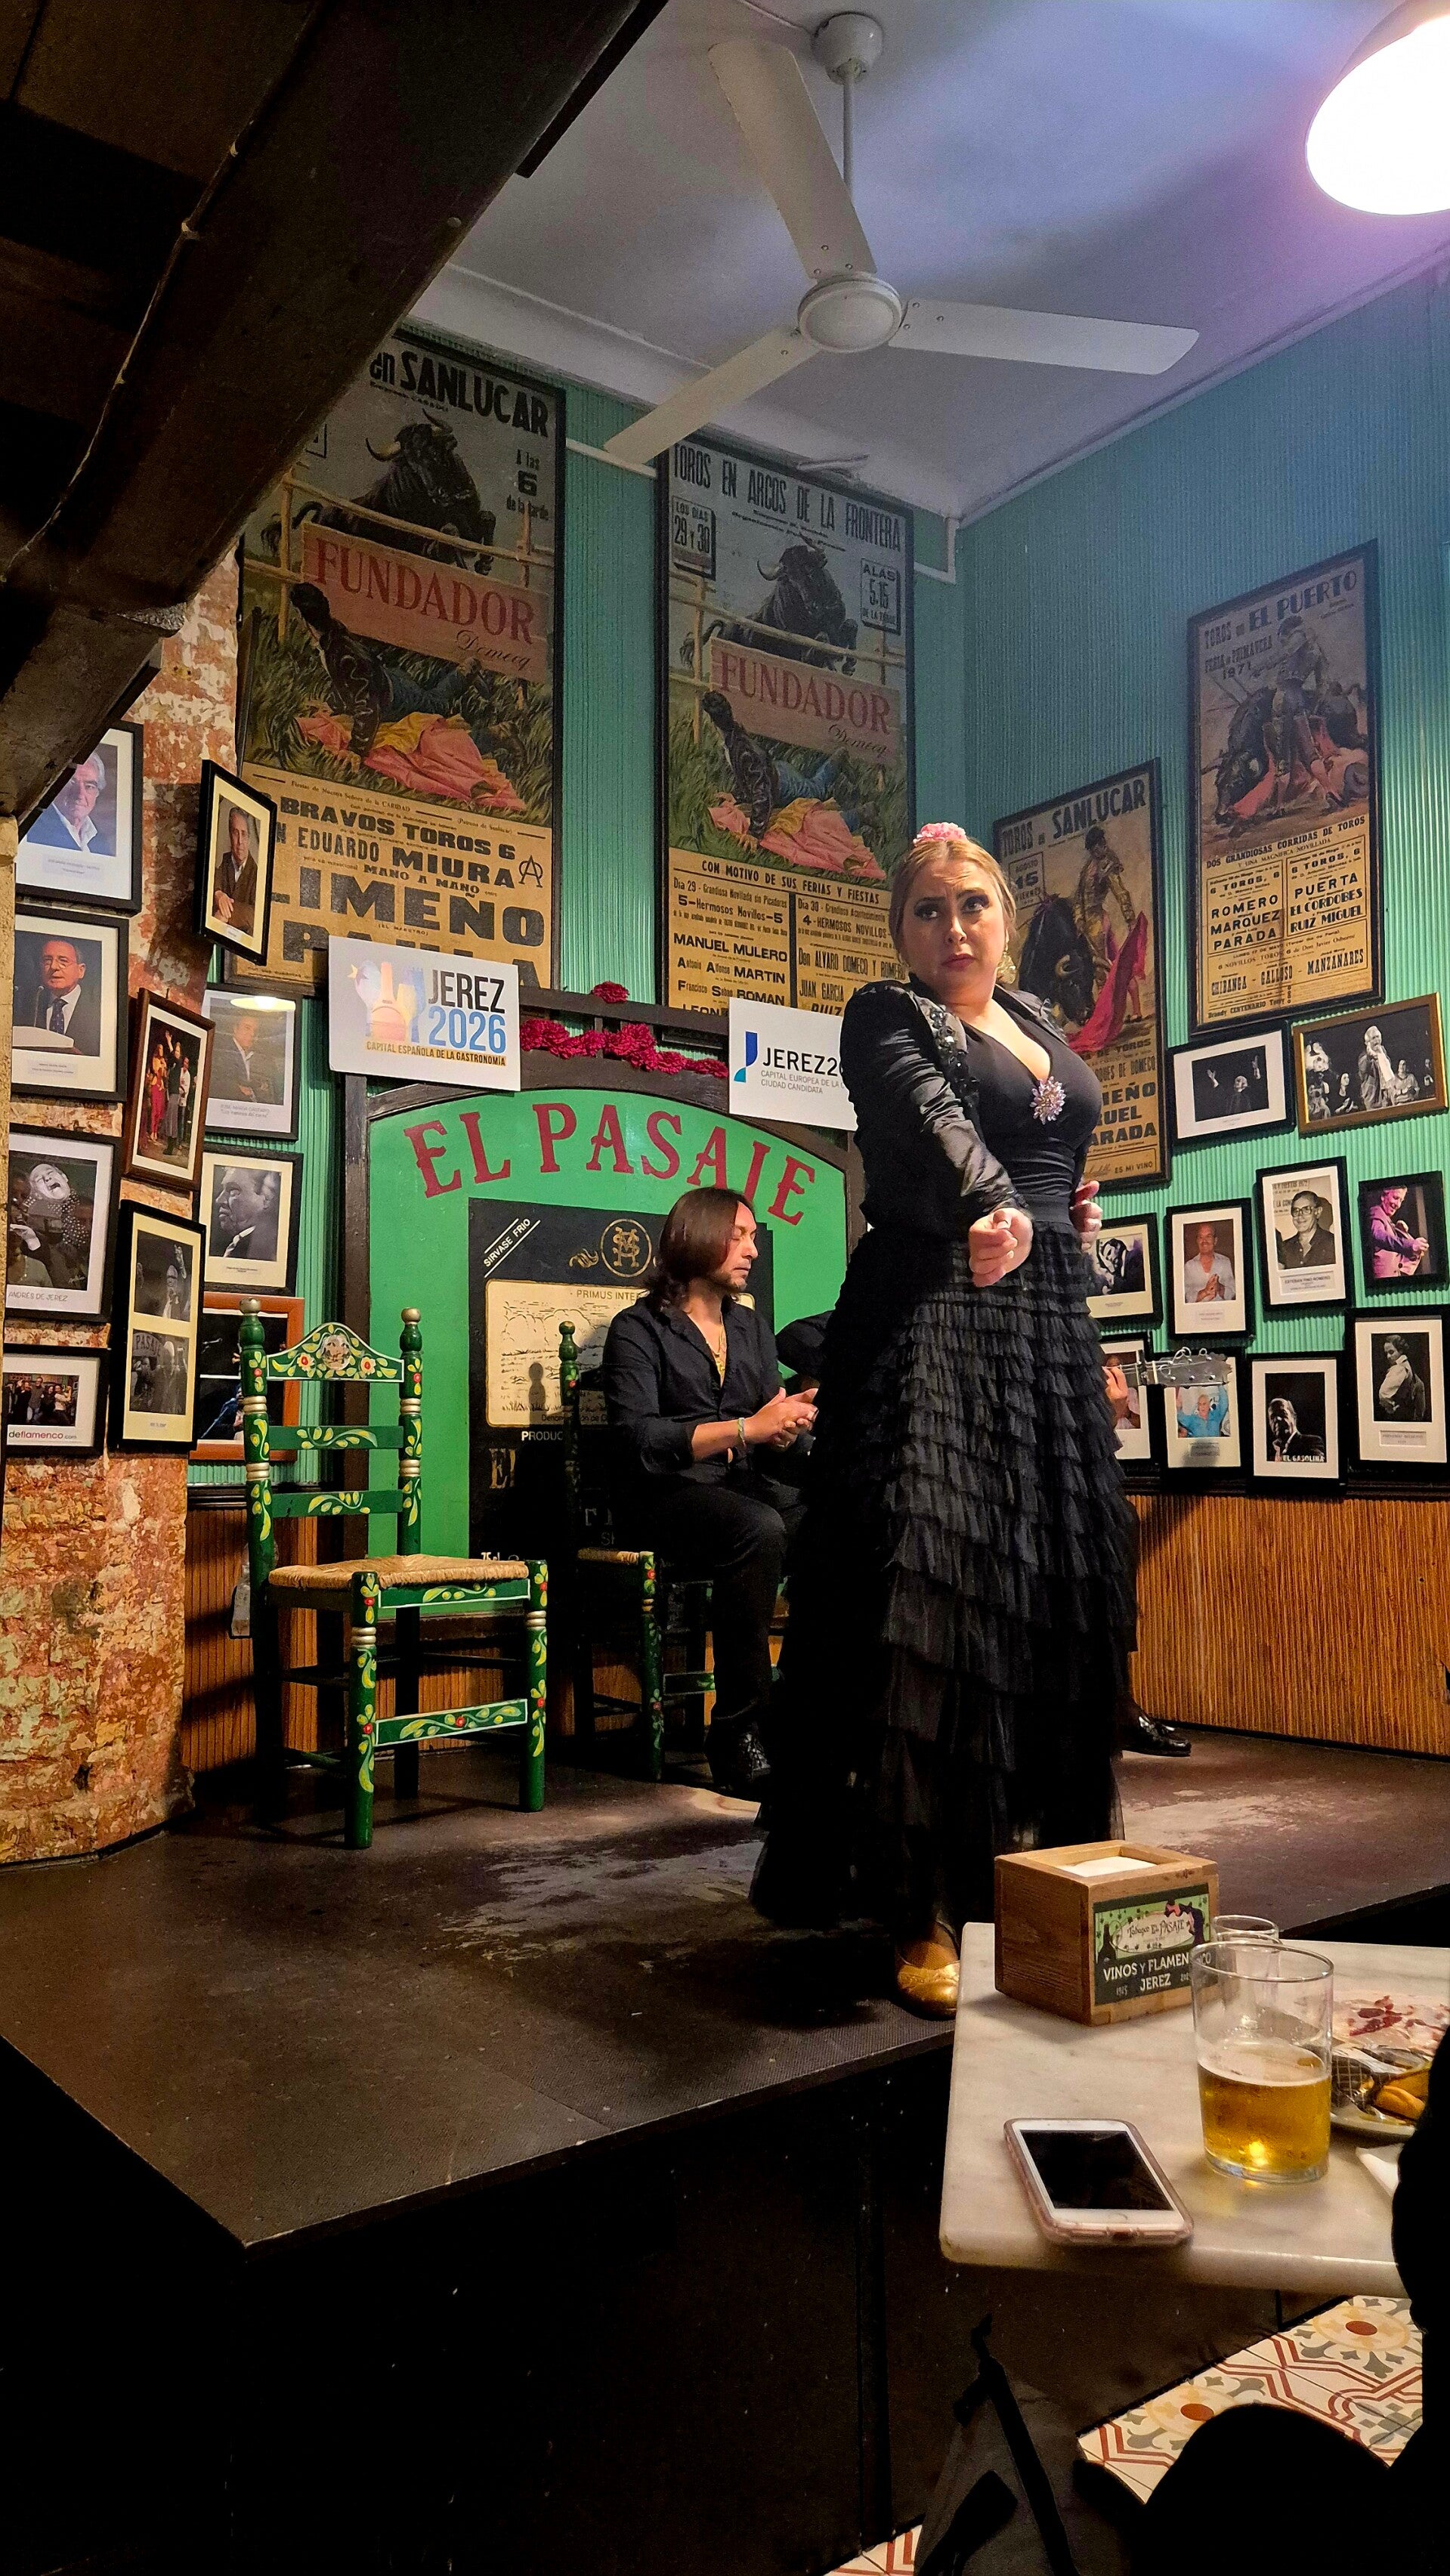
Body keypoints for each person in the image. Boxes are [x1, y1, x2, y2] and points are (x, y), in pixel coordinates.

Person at [752, 823, 1136, 2015]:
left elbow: (1053, 1135)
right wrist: (995, 1204)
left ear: (1005, 919)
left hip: (1042, 1316)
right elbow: (931, 1120)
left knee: (1050, 1582)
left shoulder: (1034, 1019)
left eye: (972, 904)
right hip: (934, 1305)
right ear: (902, 932)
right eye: (927, 910)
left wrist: (1061, 1217)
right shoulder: (885, 1014)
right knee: (926, 1595)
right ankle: (913, 1902)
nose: (952, 926)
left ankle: (1030, 1874)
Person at [601, 1189, 816, 1799]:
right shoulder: (638, 1328)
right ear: (698, 1236)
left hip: (741, 1490)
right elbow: (639, 1440)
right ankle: (736, 1732)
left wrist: (790, 1425)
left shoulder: (749, 1327)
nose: (752, 1249)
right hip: (665, 1497)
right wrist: (747, 1428)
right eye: (739, 1235)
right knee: (758, 1528)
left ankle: (799, 1715)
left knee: (834, 1521)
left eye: (752, 1236)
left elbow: (767, 1433)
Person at [19, 935, 100, 1056]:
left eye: (63, 961)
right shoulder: (29, 1005)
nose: (54, 967)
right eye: (47, 961)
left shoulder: (98, 1007)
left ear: (81, 971)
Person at [25, 751, 107, 853]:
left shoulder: (100, 842)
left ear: (97, 792)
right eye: (71, 783)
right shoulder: (34, 828)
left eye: (89, 787)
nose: (80, 795)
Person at [209, 1164, 280, 1265]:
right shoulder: (239, 1245)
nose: (219, 1200)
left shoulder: (270, 1249)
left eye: (233, 1191)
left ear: (267, 1199)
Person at [212, 804, 258, 938]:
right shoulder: (223, 862)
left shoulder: (256, 873)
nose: (240, 841)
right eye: (235, 833)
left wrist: (225, 913)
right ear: (230, 835)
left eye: (244, 834)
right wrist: (218, 894)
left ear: (249, 839)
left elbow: (256, 916)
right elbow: (212, 878)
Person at [1367, 1184, 1429, 1282]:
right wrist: (1411, 1245)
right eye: (1396, 1198)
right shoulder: (1376, 1212)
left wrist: (1403, 1233)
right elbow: (1378, 1235)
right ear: (1383, 1196)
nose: (1398, 1205)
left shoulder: (1387, 1219)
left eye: (1401, 1201)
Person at [214, 1010, 273, 1106]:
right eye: (247, 1028)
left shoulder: (259, 1057)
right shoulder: (222, 1052)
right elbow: (213, 1082)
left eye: (255, 1031)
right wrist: (237, 1089)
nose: (252, 1034)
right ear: (235, 1029)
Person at [1274, 1186, 1335, 1270]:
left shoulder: (1333, 1242)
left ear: (1317, 1212)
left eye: (1306, 1210)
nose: (1300, 1216)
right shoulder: (1285, 1247)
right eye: (1296, 1211)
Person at [1181, 1220, 1235, 1307]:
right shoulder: (1189, 1266)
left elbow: (1232, 1293)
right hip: (1198, 1312)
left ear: (1215, 1241)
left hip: (1221, 1311)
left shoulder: (1225, 1262)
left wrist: (1220, 1288)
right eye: (1201, 1237)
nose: (1204, 1241)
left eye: (1208, 1237)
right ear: (1197, 1241)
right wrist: (1205, 1292)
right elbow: (1187, 1297)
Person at [1377, 1334, 1427, 1421]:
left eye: (1391, 1352)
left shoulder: (1399, 1368)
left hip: (1400, 1415)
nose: (1388, 1356)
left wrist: (1391, 1408)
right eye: (1386, 1353)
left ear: (1400, 1350)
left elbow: (1383, 1394)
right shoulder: (1406, 1365)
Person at [1266, 1394, 1325, 1461]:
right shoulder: (1270, 1450)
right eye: (1272, 1417)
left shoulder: (1312, 1443)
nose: (1277, 1419)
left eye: (1282, 1413)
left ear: (1294, 1418)